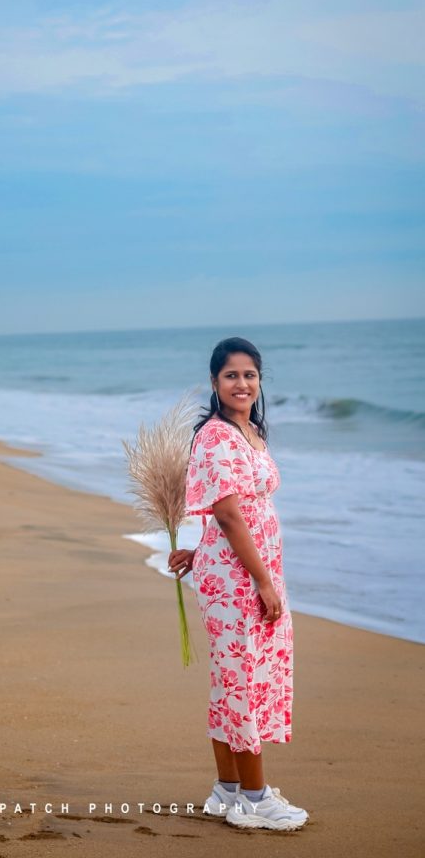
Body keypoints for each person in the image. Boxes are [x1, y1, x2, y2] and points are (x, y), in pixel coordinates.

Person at [168, 336, 308, 831]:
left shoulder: (248, 431)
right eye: (231, 375)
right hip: (242, 581)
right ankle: (255, 797)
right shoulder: (215, 435)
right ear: (214, 382)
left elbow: (225, 515)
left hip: (239, 570)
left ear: (259, 381)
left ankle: (226, 791)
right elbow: (228, 513)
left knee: (234, 680)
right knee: (241, 682)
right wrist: (264, 583)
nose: (242, 383)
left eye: (250, 374)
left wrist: (199, 550)